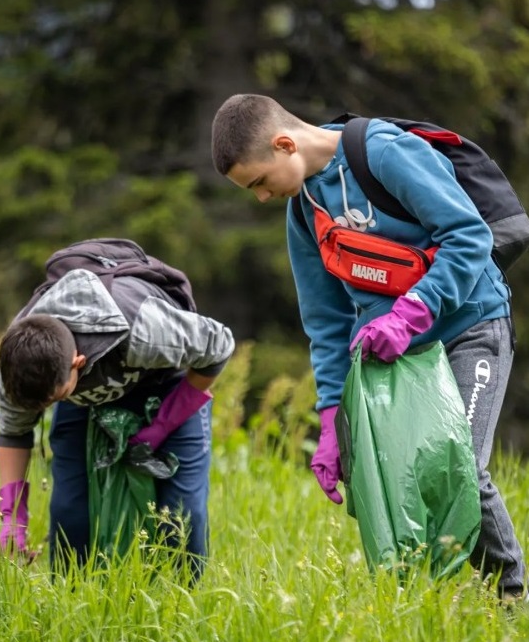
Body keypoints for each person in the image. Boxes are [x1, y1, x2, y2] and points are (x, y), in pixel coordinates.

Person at [211, 93, 526, 600]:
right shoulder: (304, 212)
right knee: (403, 477)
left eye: (259, 182)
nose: (262, 198)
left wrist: (412, 312)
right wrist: (333, 415)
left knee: (457, 464)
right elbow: (326, 322)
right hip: (395, 359)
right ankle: (431, 603)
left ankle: (512, 604)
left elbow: (468, 236)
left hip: (470, 326)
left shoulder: (383, 153)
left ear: (285, 144)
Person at [0, 241, 235, 579]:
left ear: (77, 362)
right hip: (83, 396)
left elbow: (219, 348)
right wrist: (13, 519)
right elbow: (14, 431)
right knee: (70, 513)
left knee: (181, 516)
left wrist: (163, 425)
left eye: (54, 397)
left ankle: (183, 607)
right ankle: (73, 601)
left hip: (164, 383)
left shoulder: (146, 331)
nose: (46, 408)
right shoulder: (17, 366)